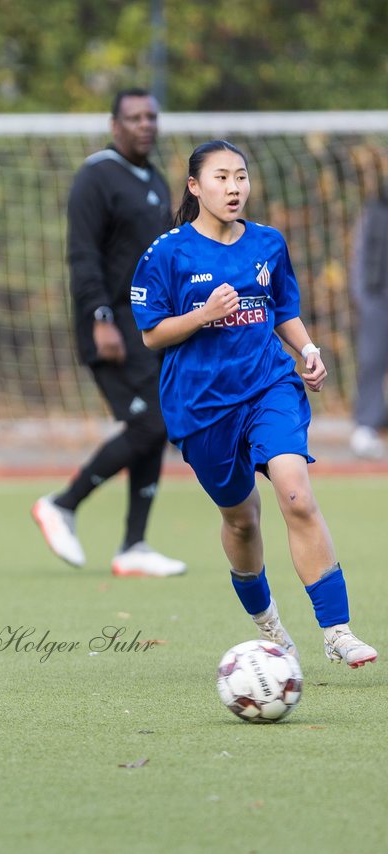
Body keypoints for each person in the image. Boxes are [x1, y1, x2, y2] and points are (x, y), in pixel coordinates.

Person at [132, 139, 377, 668]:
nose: (234, 187)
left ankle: (337, 631)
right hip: (201, 407)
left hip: (269, 386)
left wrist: (307, 350)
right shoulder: (167, 253)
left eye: (240, 177)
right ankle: (267, 623)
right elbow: (152, 334)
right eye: (221, 178)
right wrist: (201, 315)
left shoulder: (267, 243)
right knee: (242, 520)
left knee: (296, 496)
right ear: (195, 187)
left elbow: (282, 307)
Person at [31, 88, 186, 578]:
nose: (145, 124)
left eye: (151, 117)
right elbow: (83, 255)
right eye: (135, 117)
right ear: (114, 124)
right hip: (111, 323)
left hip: (148, 325)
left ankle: (134, 546)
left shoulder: (157, 181)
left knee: (154, 428)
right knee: (151, 425)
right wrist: (100, 317)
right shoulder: (96, 176)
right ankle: (63, 503)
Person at [349, 182, 388, 459]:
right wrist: (363, 295)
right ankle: (366, 427)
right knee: (372, 360)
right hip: (378, 298)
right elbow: (359, 255)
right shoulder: (375, 210)